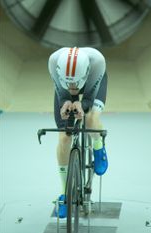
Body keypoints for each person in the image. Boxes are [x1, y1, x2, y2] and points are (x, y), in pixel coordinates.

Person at [48, 47, 108, 218]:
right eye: (70, 84)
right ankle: (64, 193)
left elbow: (88, 97)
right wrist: (67, 101)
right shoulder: (53, 62)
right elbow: (62, 93)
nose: (73, 87)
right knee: (64, 138)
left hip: (92, 83)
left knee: (91, 119)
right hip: (64, 86)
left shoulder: (97, 62)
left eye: (75, 84)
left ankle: (98, 146)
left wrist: (84, 104)